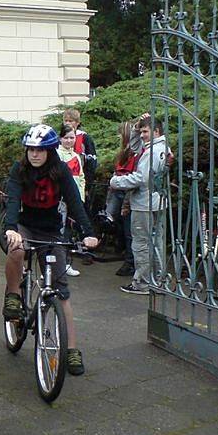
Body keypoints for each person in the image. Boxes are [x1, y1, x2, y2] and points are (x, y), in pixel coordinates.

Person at [1, 124, 98, 376]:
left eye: (40, 150)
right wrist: (11, 228)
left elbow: (75, 203)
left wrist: (89, 233)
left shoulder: (61, 171)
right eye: (30, 149)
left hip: (52, 230)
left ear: (50, 151)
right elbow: (12, 200)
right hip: (24, 225)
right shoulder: (19, 169)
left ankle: (72, 349)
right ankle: (13, 295)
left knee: (61, 290)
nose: (34, 154)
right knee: (16, 249)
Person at [110, 114, 168, 295]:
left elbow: (141, 178)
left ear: (156, 131)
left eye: (145, 131)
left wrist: (116, 182)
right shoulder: (161, 147)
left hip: (144, 203)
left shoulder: (151, 152)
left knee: (141, 243)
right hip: (158, 201)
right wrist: (136, 127)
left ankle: (142, 283)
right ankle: (159, 280)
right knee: (157, 241)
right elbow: (134, 147)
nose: (141, 135)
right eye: (141, 131)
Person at [108, 121, 139, 277]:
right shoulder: (124, 152)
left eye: (121, 133)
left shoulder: (135, 153)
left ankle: (131, 263)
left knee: (129, 231)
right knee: (122, 227)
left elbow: (133, 176)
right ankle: (128, 259)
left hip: (127, 193)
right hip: (119, 191)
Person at [57, 124, 85, 278]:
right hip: (60, 201)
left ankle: (66, 264)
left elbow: (81, 178)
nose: (69, 141)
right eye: (66, 138)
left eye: (72, 138)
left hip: (73, 201)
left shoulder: (77, 157)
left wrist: (80, 199)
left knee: (68, 232)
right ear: (60, 138)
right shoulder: (56, 155)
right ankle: (52, 265)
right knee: (57, 232)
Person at [63, 108, 97, 211]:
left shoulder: (84, 138)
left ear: (77, 123)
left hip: (79, 182)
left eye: (71, 121)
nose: (68, 123)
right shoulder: (60, 137)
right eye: (66, 121)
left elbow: (91, 164)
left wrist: (87, 186)